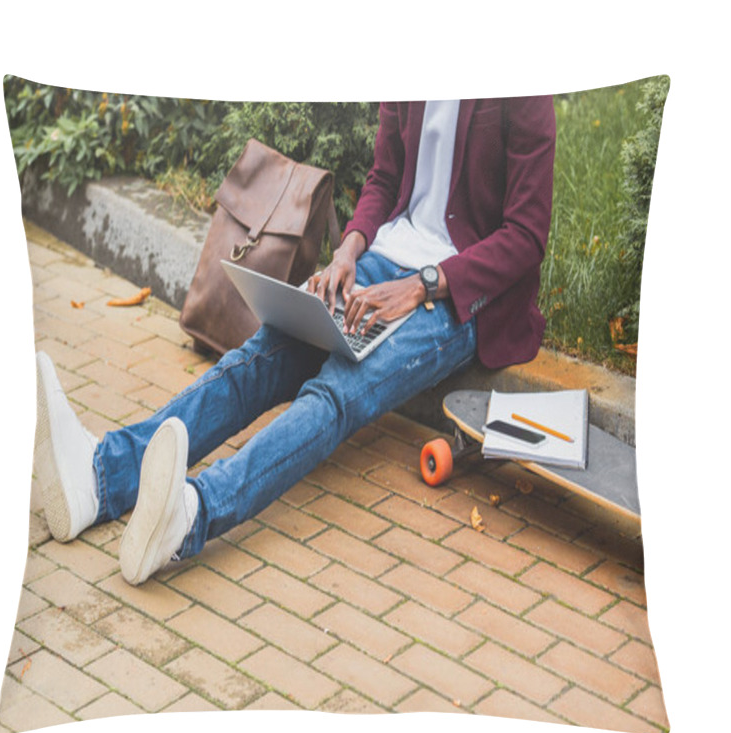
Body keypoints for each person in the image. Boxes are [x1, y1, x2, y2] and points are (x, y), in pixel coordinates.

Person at [34, 98, 556, 586]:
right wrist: (348, 251)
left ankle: (190, 516)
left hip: (457, 295)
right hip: (381, 260)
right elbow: (385, 179)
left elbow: (527, 236)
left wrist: (420, 285)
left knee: (337, 392)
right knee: (261, 356)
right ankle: (100, 479)